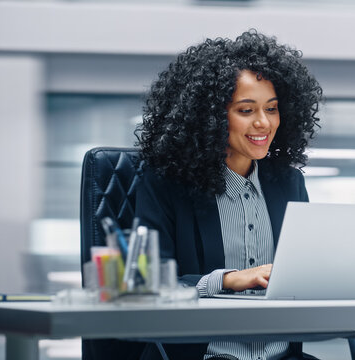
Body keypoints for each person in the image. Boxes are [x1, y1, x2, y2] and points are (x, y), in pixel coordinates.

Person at [135, 30, 322, 360]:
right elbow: (146, 287)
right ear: (209, 116)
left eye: (273, 108)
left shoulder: (288, 183)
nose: (264, 123)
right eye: (246, 111)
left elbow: (302, 276)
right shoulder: (167, 184)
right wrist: (226, 280)